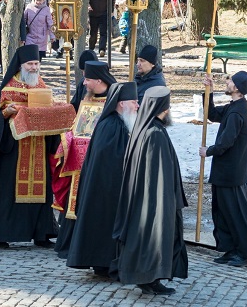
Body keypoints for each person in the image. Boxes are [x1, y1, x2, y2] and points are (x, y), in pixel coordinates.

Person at [0, 44, 72, 248]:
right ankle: (0, 234)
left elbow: (47, 110)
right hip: (13, 150)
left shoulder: (40, 84)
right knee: (8, 191)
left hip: (38, 146)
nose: (33, 68)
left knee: (41, 191)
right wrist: (6, 112)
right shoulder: (9, 87)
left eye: (36, 63)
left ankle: (42, 233)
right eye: (30, 64)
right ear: (21, 66)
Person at [112, 86, 188, 295]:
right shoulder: (154, 134)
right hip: (156, 200)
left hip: (145, 198)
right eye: (168, 106)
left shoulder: (144, 128)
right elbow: (159, 174)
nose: (169, 110)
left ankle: (149, 279)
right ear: (161, 108)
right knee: (155, 238)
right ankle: (149, 278)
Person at [200, 71, 247, 266]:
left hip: (230, 173)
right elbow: (213, 114)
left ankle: (246, 252)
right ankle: (233, 249)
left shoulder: (237, 112)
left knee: (235, 215)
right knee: (225, 213)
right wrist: (209, 92)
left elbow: (226, 142)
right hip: (228, 172)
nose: (227, 82)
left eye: (231, 81)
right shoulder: (237, 106)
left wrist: (208, 151)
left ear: (238, 88)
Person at [67, 82, 139, 276]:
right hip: (108, 190)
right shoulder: (113, 126)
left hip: (105, 188)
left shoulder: (114, 123)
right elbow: (113, 162)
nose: (137, 106)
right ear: (122, 104)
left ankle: (104, 264)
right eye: (134, 102)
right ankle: (106, 264)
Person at [52, 60, 115, 259]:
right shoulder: (88, 97)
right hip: (78, 163)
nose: (84, 83)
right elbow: (78, 126)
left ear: (99, 80)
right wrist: (68, 138)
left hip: (101, 165)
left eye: (87, 79)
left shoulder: (114, 101)